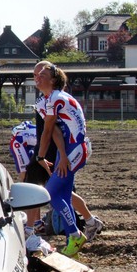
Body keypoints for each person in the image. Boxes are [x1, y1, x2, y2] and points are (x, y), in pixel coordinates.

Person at [32, 60, 92, 257]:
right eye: (35, 75)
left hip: (76, 148)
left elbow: (48, 131)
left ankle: (75, 235)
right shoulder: (46, 101)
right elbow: (57, 131)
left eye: (42, 75)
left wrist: (41, 156)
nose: (37, 78)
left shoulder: (56, 98)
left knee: (50, 193)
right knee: (64, 195)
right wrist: (61, 155)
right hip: (67, 150)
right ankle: (72, 245)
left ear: (53, 80)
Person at [9, 120, 104, 243]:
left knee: (43, 188)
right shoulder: (65, 142)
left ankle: (32, 227)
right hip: (32, 145)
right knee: (35, 186)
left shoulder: (66, 141)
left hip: (43, 148)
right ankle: (89, 221)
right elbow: (27, 179)